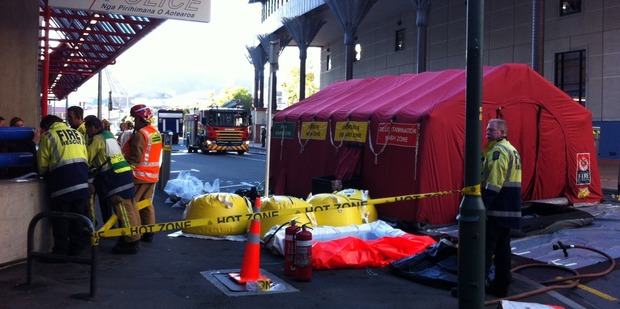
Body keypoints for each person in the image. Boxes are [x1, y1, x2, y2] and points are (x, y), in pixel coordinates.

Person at [84, 116, 141, 254]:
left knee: (122, 208)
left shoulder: (97, 139)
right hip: (124, 173)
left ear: (92, 127)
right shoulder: (108, 135)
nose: (86, 132)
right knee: (131, 206)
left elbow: (87, 157)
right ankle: (134, 235)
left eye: (87, 129)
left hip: (114, 177)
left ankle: (130, 241)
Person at [37, 115, 90, 257]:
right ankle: (76, 249)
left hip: (62, 183)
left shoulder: (49, 136)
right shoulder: (77, 134)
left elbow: (42, 163)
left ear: (48, 125)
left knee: (61, 218)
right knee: (78, 217)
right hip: (81, 181)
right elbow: (86, 156)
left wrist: (43, 174)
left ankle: (61, 251)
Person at [481, 118, 522, 297]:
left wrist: (482, 205)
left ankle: (475, 288)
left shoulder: (498, 151)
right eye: (488, 129)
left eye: (492, 129)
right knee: (503, 250)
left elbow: (494, 182)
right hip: (509, 209)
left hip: (496, 209)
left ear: (502, 133)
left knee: (485, 248)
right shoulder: (511, 149)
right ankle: (501, 286)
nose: (488, 131)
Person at [123, 104, 162, 243]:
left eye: (135, 119)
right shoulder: (155, 132)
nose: (134, 122)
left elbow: (135, 158)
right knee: (146, 204)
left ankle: (135, 234)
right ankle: (149, 231)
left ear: (140, 119)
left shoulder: (141, 135)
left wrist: (124, 169)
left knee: (133, 205)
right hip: (152, 175)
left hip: (139, 176)